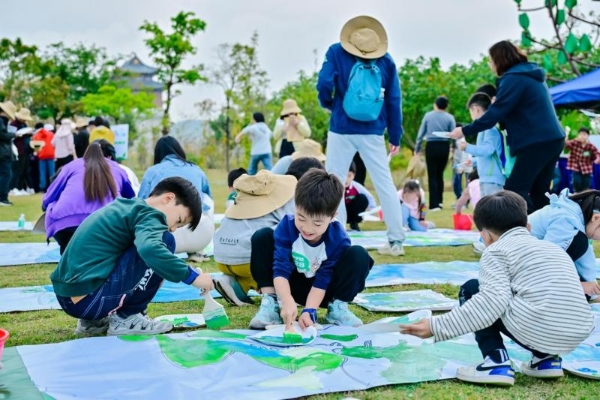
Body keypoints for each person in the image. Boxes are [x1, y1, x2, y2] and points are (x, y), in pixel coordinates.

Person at [400, 191, 594, 386]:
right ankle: (546, 359)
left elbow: (490, 302)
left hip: (540, 328)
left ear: (485, 236)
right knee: (532, 299)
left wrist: (436, 326)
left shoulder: (496, 251)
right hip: (576, 331)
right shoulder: (553, 248)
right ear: (528, 227)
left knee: (473, 289)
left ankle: (495, 362)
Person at [50, 177, 211, 336]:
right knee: (164, 241)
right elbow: (150, 249)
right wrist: (192, 276)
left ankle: (93, 322)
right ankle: (127, 317)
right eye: (178, 220)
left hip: (70, 297)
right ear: (168, 198)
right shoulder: (150, 215)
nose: (173, 228)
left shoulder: (128, 207)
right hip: (90, 300)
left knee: (150, 242)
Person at [317, 15, 405, 256]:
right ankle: (396, 240)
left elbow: (324, 82)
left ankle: (339, 240)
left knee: (334, 182)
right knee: (384, 183)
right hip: (373, 130)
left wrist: (328, 103)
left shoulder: (336, 52)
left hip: (341, 127)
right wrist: (395, 135)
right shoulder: (386, 61)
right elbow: (394, 100)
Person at [449, 41, 565, 214]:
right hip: (552, 139)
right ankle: (546, 231)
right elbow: (512, 112)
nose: (490, 64)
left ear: (499, 59)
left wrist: (464, 130)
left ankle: (524, 231)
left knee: (514, 189)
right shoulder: (529, 75)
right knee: (539, 192)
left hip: (537, 141)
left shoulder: (513, 78)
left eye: (490, 60)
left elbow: (494, 114)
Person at [249, 169, 373, 329]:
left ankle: (337, 308)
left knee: (358, 255)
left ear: (332, 216)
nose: (307, 228)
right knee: (262, 236)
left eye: (317, 223)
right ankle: (271, 303)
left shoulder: (338, 238)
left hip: (324, 290)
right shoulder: (286, 226)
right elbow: (280, 269)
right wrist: (286, 300)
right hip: (291, 284)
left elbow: (324, 278)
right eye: (301, 218)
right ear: (295, 206)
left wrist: (309, 311)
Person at [213, 170, 297, 306]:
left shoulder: (241, 197)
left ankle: (233, 283)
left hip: (221, 257)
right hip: (247, 261)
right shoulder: (286, 200)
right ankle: (276, 292)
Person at [42, 141, 135, 254]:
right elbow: (130, 199)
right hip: (106, 224)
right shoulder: (118, 168)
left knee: (69, 253)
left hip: (66, 225)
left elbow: (49, 197)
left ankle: (67, 259)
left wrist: (47, 207)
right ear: (108, 156)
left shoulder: (71, 166)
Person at [139, 136, 214, 262]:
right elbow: (209, 197)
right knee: (205, 201)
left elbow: (141, 203)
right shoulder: (196, 169)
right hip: (201, 235)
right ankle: (197, 251)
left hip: (164, 237)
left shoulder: (153, 171)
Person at [529, 189, 600, 297]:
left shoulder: (575, 217)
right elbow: (546, 261)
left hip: (531, 261)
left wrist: (594, 291)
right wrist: (579, 286)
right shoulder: (566, 221)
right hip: (522, 265)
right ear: (596, 218)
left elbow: (586, 261)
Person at [458, 93, 505, 196]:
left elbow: (487, 150)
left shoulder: (490, 128)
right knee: (486, 209)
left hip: (492, 179)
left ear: (476, 109)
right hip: (486, 178)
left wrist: (467, 147)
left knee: (492, 210)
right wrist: (473, 161)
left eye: (470, 111)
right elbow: (485, 155)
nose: (471, 115)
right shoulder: (484, 129)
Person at [414, 96, 457, 210]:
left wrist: (417, 148)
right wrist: (454, 146)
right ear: (446, 106)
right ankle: (440, 201)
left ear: (435, 104)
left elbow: (421, 134)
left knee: (432, 175)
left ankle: (434, 204)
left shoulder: (428, 116)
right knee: (439, 175)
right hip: (444, 146)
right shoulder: (450, 117)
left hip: (431, 146)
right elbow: (454, 134)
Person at [565, 127, 600, 193]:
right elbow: (567, 145)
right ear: (578, 135)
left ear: (588, 136)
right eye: (580, 134)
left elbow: (597, 153)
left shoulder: (590, 146)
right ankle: (577, 196)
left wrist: (597, 159)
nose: (582, 136)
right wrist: (566, 136)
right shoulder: (574, 143)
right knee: (576, 183)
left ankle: (584, 199)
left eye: (584, 134)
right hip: (576, 168)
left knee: (586, 186)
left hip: (587, 169)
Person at [344, 161, 376, 231]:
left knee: (363, 198)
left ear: (353, 176)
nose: (346, 179)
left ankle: (354, 222)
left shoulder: (356, 186)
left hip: (351, 212)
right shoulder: (335, 186)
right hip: (339, 212)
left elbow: (369, 197)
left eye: (349, 176)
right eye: (344, 175)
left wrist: (372, 209)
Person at [10, 108, 34, 195]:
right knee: (17, 169)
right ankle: (13, 187)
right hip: (17, 150)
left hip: (25, 149)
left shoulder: (24, 124)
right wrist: (20, 135)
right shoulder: (13, 124)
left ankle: (20, 188)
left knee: (24, 170)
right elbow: (11, 137)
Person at [0, 101, 17, 206]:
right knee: (6, 174)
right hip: (3, 152)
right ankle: (2, 198)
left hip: (3, 151)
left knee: (5, 174)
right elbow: (2, 135)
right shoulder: (1, 121)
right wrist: (13, 135)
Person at [32, 123, 56, 192]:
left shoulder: (37, 135)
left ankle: (42, 188)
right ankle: (53, 186)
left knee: (42, 172)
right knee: (52, 172)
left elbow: (37, 148)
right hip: (51, 155)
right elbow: (54, 144)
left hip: (42, 156)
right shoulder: (51, 134)